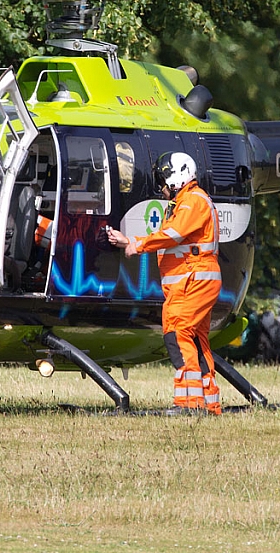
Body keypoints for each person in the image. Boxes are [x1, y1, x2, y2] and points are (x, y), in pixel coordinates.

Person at [107, 151, 223, 415]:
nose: (160, 187)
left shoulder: (192, 202)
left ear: (176, 178)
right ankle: (209, 402)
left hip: (192, 280)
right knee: (195, 339)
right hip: (195, 280)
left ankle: (189, 404)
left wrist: (135, 245)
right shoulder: (189, 202)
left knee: (177, 333)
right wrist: (129, 241)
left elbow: (172, 234)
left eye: (162, 181)